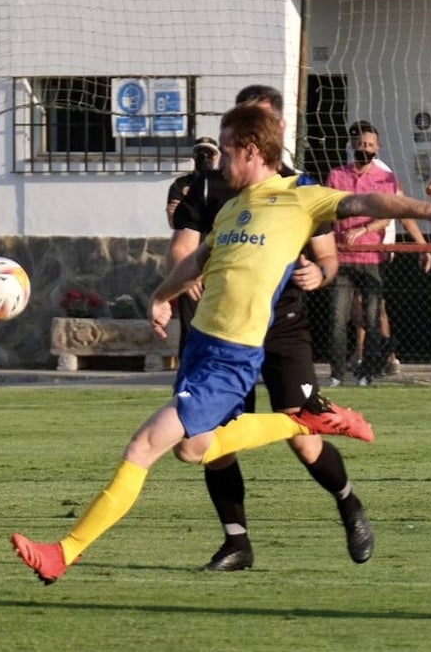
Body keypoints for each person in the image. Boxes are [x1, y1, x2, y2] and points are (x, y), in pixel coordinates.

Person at [11, 101, 431, 585]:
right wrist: (161, 295)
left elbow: (373, 204)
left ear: (251, 151)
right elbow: (200, 260)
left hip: (231, 358)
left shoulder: (301, 195)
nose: (220, 161)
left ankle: (64, 551)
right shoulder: (231, 207)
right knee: (194, 451)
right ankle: (298, 422)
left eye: (227, 150)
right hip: (200, 351)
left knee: (143, 445)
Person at [171, 84, 371, 572]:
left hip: (282, 325)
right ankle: (236, 542)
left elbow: (328, 260)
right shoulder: (209, 185)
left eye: (266, 122)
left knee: (303, 436)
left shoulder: (301, 191)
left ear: (277, 130)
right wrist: (184, 282)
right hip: (224, 329)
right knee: (213, 437)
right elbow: (184, 247)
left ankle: (350, 505)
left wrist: (318, 274)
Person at [326, 121, 431, 386]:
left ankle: (370, 369)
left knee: (374, 315)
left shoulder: (385, 177)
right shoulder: (337, 175)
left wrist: (364, 229)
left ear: (378, 147)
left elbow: (393, 214)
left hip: (373, 256)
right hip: (343, 256)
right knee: (341, 317)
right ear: (352, 145)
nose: (365, 149)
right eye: (361, 144)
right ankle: (338, 373)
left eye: (370, 145)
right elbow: (328, 210)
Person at [166, 137, 219, 230]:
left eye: (209, 154)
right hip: (189, 238)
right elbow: (175, 221)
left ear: (216, 157)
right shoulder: (180, 184)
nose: (205, 157)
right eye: (201, 154)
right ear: (194, 156)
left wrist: (189, 212)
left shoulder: (223, 183)